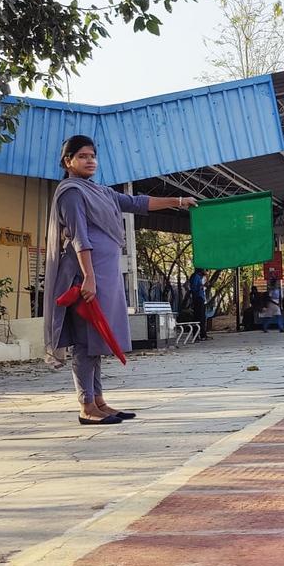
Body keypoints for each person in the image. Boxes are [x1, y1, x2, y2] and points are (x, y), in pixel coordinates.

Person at [44, 134, 196, 425]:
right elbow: (79, 237)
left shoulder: (101, 191)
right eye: (83, 156)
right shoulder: (71, 192)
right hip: (84, 278)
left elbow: (137, 202)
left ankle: (99, 401)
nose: (90, 161)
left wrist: (178, 201)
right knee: (85, 343)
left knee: (98, 340)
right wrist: (88, 277)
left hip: (105, 276)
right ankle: (86, 406)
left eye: (93, 156)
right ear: (68, 162)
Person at [189, 268, 209, 341]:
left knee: (203, 317)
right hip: (198, 298)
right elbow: (193, 288)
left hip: (202, 298)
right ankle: (196, 335)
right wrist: (201, 287)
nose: (206, 271)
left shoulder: (201, 277)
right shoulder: (196, 276)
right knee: (198, 317)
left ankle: (203, 334)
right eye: (205, 270)